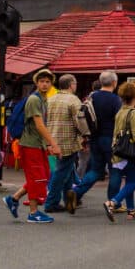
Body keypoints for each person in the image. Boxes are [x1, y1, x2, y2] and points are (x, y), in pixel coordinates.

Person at [4, 69, 61, 224]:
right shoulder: (35, 100)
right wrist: (53, 144)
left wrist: (47, 144)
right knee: (37, 178)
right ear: (36, 83)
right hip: (30, 145)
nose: (45, 84)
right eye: (42, 81)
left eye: (48, 82)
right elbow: (39, 125)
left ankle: (14, 199)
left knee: (43, 176)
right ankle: (33, 213)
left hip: (38, 144)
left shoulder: (43, 99)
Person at [68, 70, 120, 212]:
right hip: (110, 138)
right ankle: (113, 202)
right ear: (114, 83)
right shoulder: (115, 100)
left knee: (96, 170)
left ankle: (77, 192)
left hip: (94, 138)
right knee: (115, 169)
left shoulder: (91, 98)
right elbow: (119, 120)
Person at [103, 82, 135, 221]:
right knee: (134, 182)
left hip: (120, 151)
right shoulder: (133, 113)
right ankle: (113, 202)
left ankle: (131, 210)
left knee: (129, 181)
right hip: (131, 152)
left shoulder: (120, 112)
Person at [44, 74, 88, 213]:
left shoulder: (50, 99)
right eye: (74, 83)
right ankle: (51, 202)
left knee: (67, 171)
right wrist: (86, 134)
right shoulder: (73, 100)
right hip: (68, 140)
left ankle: (69, 199)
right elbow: (79, 120)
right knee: (61, 172)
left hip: (52, 138)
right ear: (71, 85)